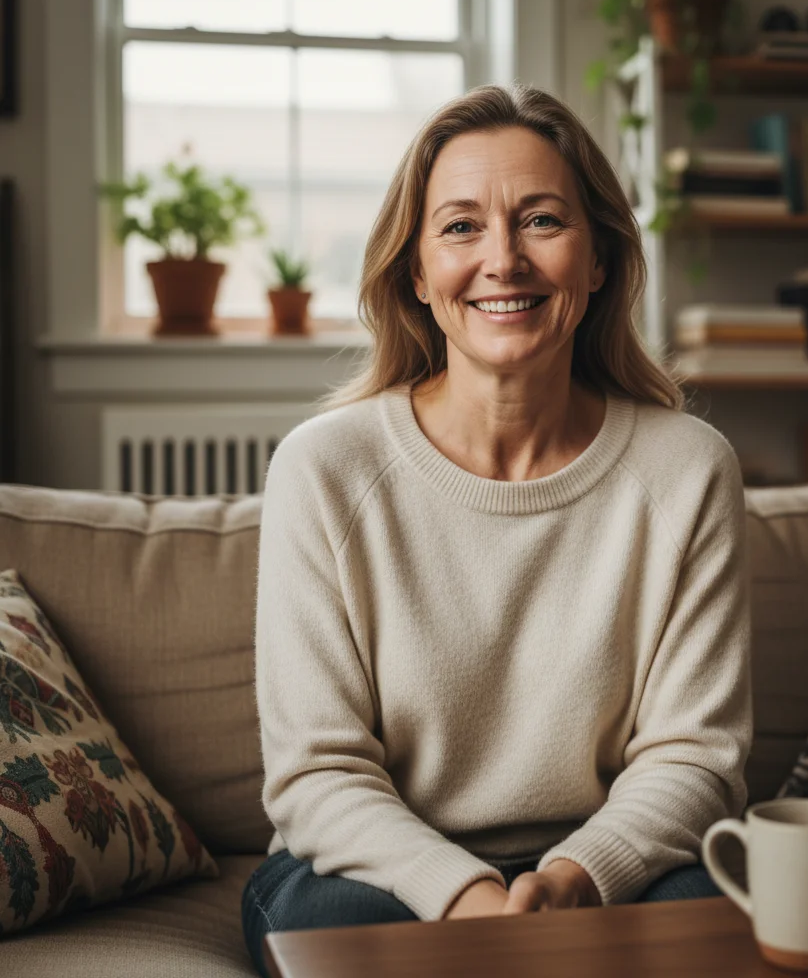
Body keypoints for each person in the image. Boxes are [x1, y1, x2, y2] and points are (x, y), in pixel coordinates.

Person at [241, 83, 752, 977]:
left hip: (606, 862)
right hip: (381, 871)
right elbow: (317, 776)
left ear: (597, 261)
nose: (503, 260)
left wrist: (577, 875)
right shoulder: (323, 470)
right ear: (415, 273)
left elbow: (697, 759)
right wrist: (473, 899)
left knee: (721, 919)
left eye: (543, 221)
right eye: (461, 227)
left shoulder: (689, 468)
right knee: (341, 929)